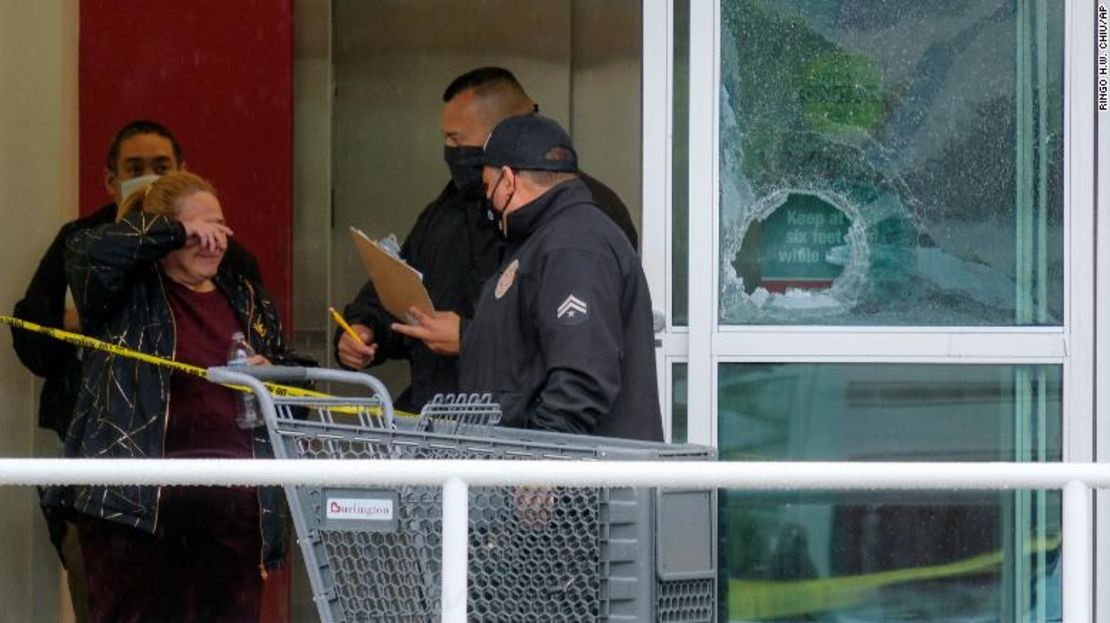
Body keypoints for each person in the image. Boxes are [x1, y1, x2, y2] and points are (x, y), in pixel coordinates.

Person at [46, 171, 294, 622]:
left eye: (219, 226)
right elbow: (84, 252)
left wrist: (274, 376)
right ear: (161, 235)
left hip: (232, 516)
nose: (212, 241)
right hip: (136, 516)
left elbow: (295, 378)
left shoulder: (246, 296)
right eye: (196, 231)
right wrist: (173, 231)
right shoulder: (124, 292)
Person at [335, 67, 638, 412]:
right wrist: (366, 326)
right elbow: (401, 286)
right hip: (442, 424)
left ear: (500, 141)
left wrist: (468, 338)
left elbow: (576, 356)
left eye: (457, 139)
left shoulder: (584, 223)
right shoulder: (448, 208)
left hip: (519, 439)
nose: (448, 150)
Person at [394, 115, 663, 441]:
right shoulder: (544, 239)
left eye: (487, 185)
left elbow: (582, 375)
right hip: (538, 473)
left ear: (507, 180)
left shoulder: (574, 244)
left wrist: (541, 469)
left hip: (580, 486)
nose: (488, 200)